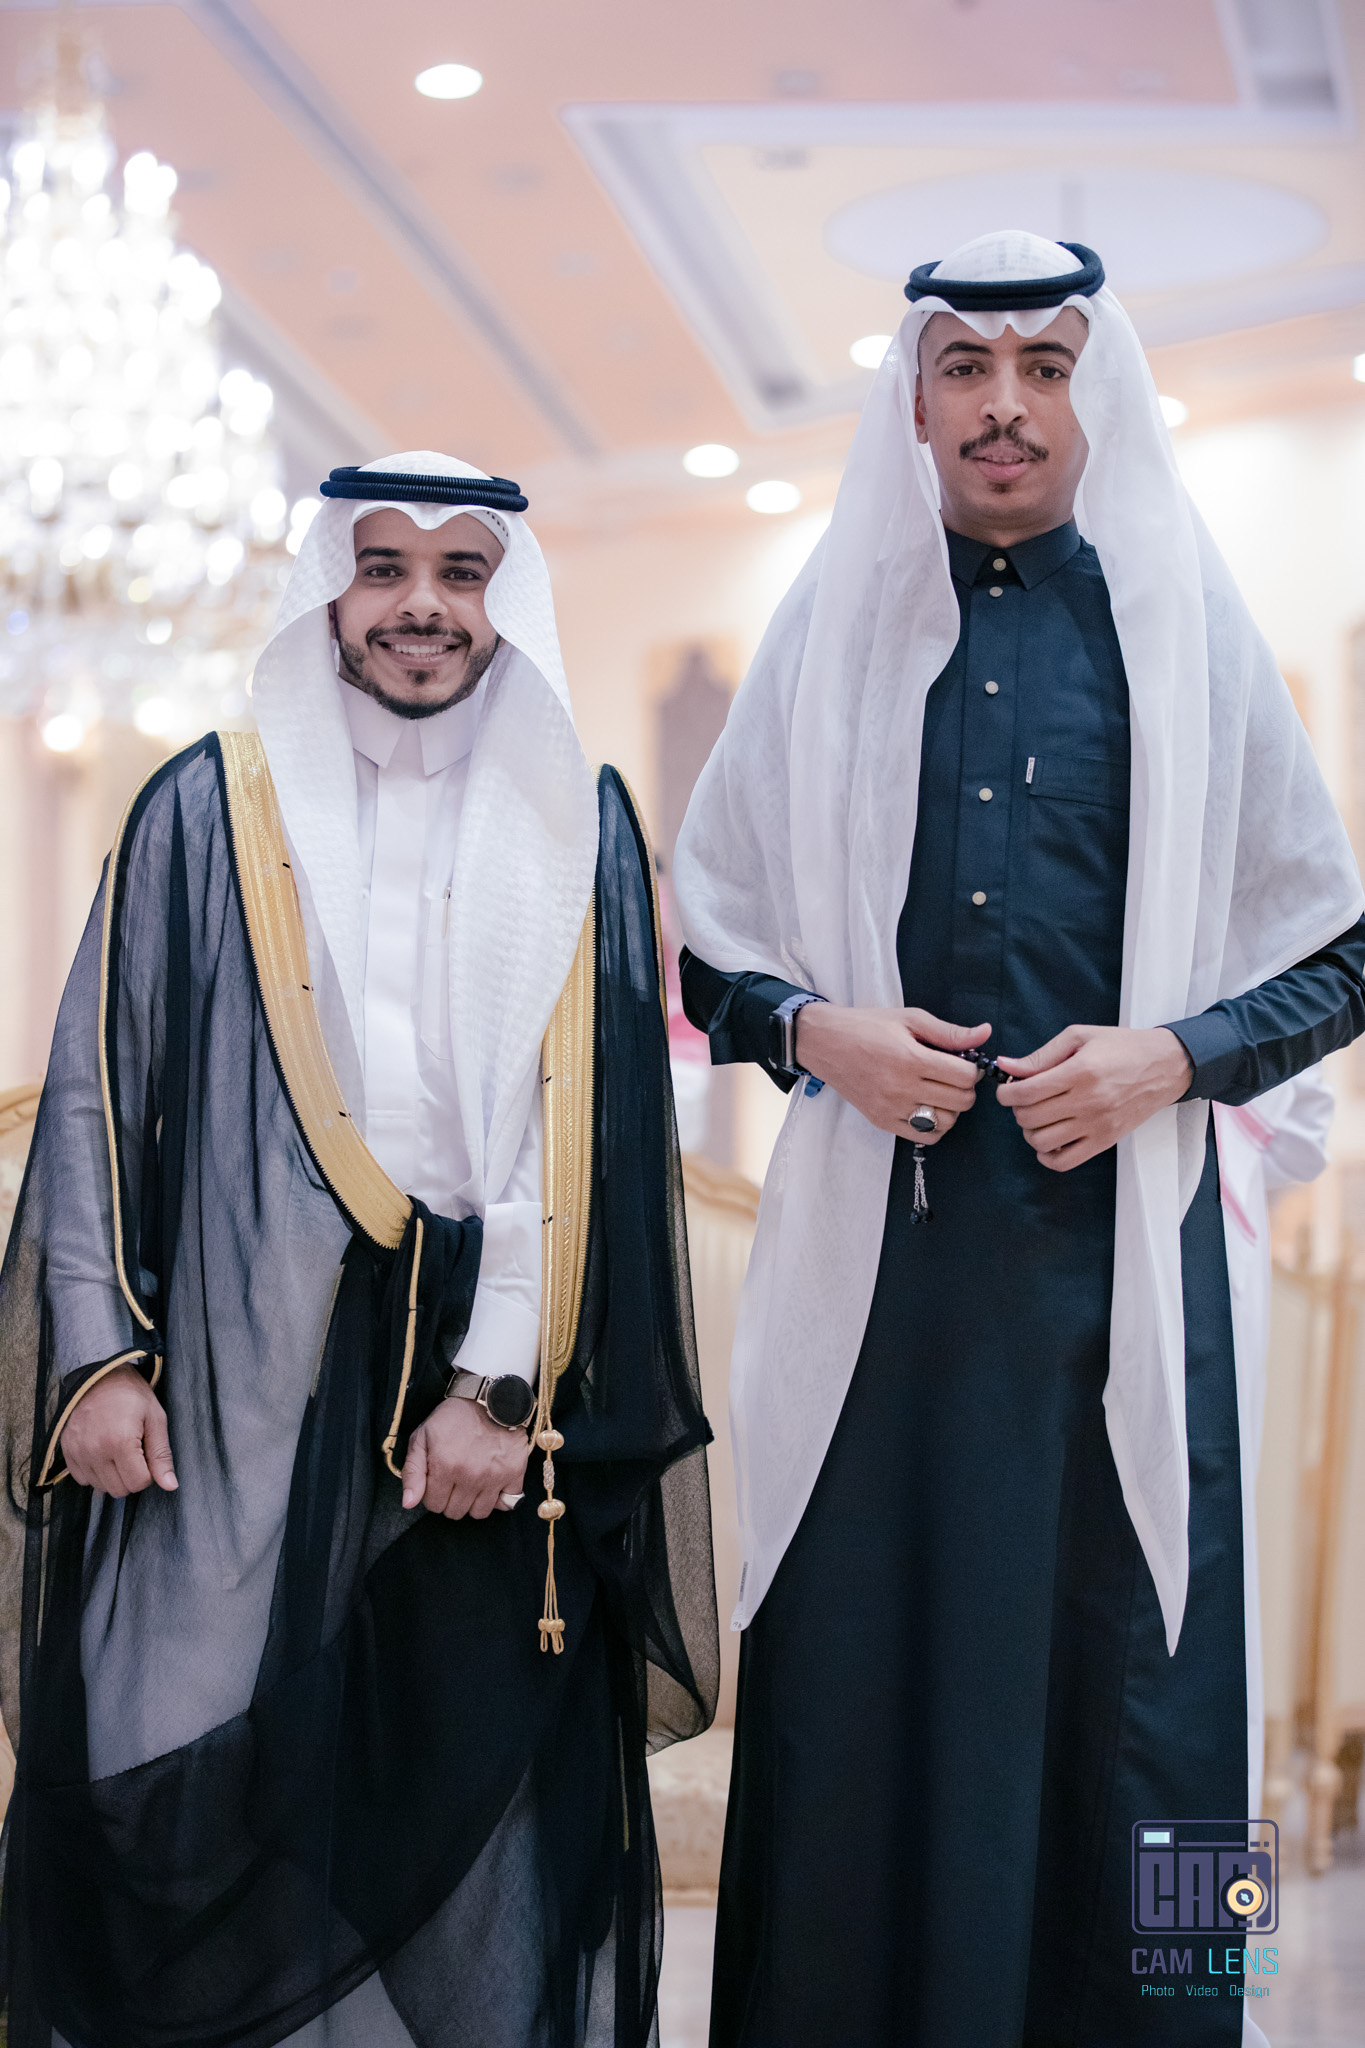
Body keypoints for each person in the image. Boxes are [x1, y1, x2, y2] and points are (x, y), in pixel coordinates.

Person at [672, 233, 1365, 2047]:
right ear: (910, 400)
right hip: (875, 1282)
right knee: (853, 1680)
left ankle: (1189, 2021)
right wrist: (813, 1031)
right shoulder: (829, 634)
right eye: (965, 367)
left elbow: (1340, 950)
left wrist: (1173, 1057)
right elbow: (707, 939)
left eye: (1043, 368)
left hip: (1126, 1282)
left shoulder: (1185, 633)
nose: (1003, 405)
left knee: (1160, 1707)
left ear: (1093, 394)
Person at [0, 454, 717, 2048]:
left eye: (461, 573)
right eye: (382, 567)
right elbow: (104, 1080)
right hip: (235, 1379)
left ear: (504, 597)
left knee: (461, 1820)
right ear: (329, 587)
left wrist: (503, 1386)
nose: (419, 606)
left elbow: (587, 1134)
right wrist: (98, 1359)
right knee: (181, 1764)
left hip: (476, 1406)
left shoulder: (578, 813)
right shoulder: (211, 805)